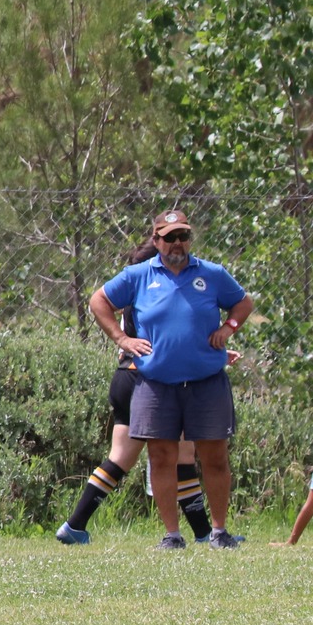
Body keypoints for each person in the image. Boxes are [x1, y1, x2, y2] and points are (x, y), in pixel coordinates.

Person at [88, 209, 252, 551]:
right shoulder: (138, 276)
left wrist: (228, 329)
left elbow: (243, 303)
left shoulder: (211, 273)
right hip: (155, 383)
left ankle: (219, 532)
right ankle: (172, 535)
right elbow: (98, 300)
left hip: (206, 381)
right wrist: (122, 339)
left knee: (214, 457)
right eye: (170, 237)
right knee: (161, 456)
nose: (177, 243)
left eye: (183, 236)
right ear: (156, 240)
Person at [57, 243, 225, 547]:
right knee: (183, 457)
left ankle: (74, 524)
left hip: (123, 376)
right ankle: (203, 534)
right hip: (147, 380)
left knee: (119, 458)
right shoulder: (157, 292)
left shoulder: (133, 293)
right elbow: (173, 339)